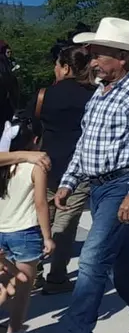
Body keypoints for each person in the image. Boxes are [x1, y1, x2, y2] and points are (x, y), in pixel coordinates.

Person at [60, 17, 129, 333]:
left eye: (98, 55)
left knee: (92, 261)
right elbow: (86, 142)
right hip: (98, 187)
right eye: (91, 54)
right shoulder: (102, 92)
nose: (92, 62)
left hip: (122, 184)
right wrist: (70, 180)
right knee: (122, 262)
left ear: (123, 57)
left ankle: (75, 328)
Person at [26, 44, 94, 294]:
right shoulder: (94, 96)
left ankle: (32, 273)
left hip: (44, 165)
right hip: (78, 168)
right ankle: (57, 277)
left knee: (37, 221)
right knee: (65, 225)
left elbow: (30, 125)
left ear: (65, 67)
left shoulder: (44, 95)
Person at [0, 120, 52, 331]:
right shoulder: (35, 166)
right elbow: (40, 203)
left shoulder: (3, 166)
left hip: (1, 231)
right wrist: (48, 237)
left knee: (5, 283)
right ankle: (14, 328)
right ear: (36, 141)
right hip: (25, 233)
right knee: (23, 291)